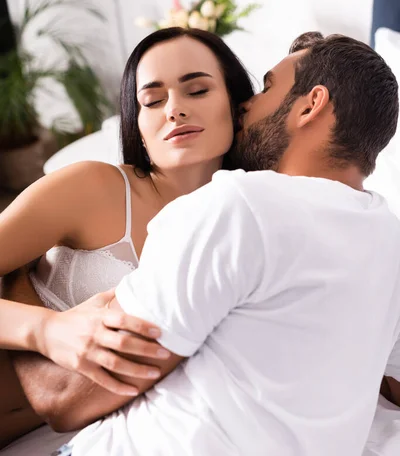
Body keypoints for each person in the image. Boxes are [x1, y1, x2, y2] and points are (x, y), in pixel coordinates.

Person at [51, 32, 400, 456]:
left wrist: (34, 312)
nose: (247, 104)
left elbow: (65, 399)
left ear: (311, 105)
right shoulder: (388, 237)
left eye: (269, 87)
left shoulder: (240, 204)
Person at [0, 27, 254, 447]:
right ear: (136, 123)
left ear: (237, 104)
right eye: (152, 100)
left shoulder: (247, 222)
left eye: (196, 90)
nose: (174, 109)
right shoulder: (94, 188)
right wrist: (44, 330)